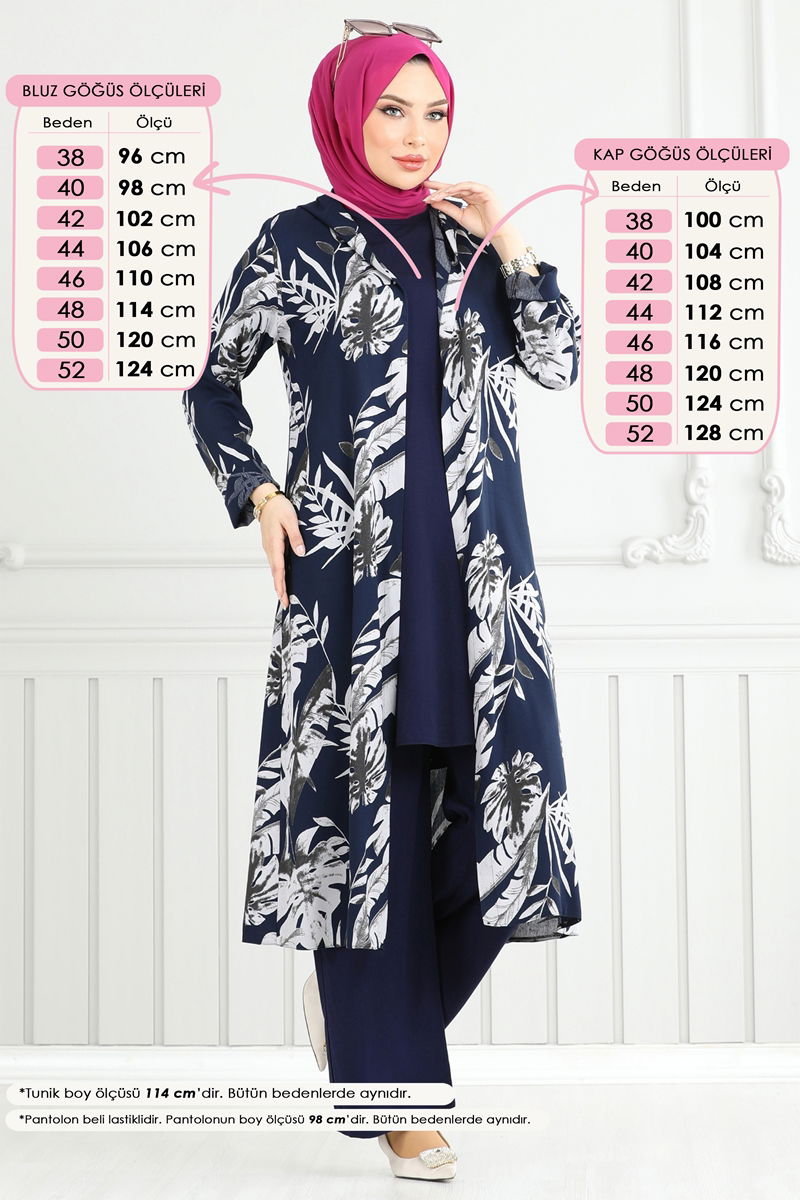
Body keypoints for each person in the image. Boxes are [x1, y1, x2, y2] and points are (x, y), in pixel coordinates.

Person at [181, 20, 582, 1181]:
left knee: (501, 831)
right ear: (343, 114)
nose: (415, 136)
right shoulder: (292, 245)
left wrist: (509, 238)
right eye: (391, 111)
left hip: (482, 588)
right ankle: (399, 1094)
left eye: (434, 113)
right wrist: (257, 491)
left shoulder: (468, 245)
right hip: (348, 586)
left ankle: (359, 1028)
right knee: (372, 832)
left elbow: (554, 361)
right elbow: (211, 386)